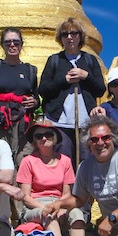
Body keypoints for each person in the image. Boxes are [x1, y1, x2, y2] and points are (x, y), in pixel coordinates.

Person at [38, 18, 106, 168]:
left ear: (80, 36)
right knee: (63, 162)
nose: (69, 37)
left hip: (85, 121)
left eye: (74, 33)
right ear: (60, 38)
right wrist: (64, 80)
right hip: (60, 121)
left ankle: (84, 191)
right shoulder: (55, 60)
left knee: (87, 163)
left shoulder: (89, 60)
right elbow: (43, 90)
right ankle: (66, 191)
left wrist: (86, 76)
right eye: (65, 34)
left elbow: (101, 89)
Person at [14, 119, 76, 236]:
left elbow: (66, 193)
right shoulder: (28, 161)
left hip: (60, 203)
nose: (43, 138)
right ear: (34, 141)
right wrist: (48, 207)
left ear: (55, 138)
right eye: (38, 136)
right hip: (35, 206)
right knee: (49, 214)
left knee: (78, 215)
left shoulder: (65, 161)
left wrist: (60, 207)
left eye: (48, 134)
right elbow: (25, 197)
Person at [0, 27, 39, 160]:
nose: (12, 45)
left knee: (23, 160)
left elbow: (36, 98)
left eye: (16, 42)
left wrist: (34, 102)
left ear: (21, 44)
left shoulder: (30, 71)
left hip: (23, 124)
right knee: (0, 160)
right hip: (0, 122)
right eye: (8, 42)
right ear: (2, 45)